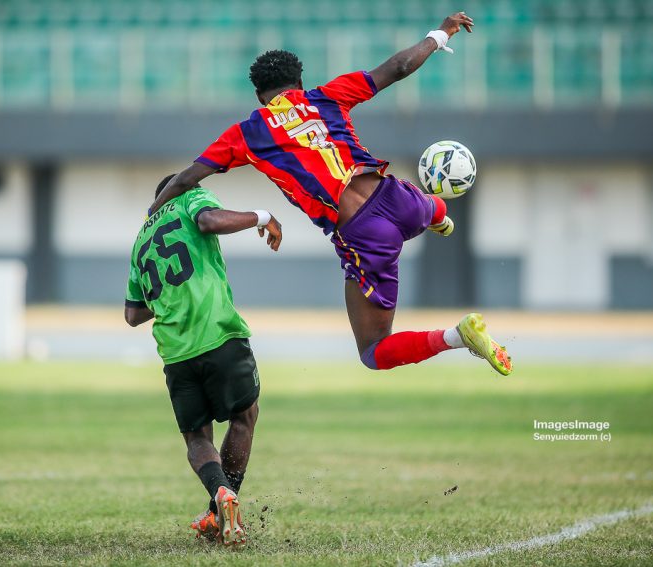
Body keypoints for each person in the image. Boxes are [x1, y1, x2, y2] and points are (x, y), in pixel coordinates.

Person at [149, 12, 513, 376]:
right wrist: (441, 33)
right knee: (427, 206)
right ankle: (437, 216)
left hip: (364, 234)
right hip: (396, 197)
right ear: (299, 82)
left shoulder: (248, 133)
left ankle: (457, 336)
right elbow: (399, 67)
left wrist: (152, 214)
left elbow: (184, 180)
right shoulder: (327, 96)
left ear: (260, 96)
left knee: (373, 351)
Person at [124, 174, 283, 548]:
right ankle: (225, 500)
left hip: (175, 351)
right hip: (218, 333)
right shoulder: (189, 198)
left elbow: (132, 314)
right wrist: (262, 216)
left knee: (197, 437)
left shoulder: (141, 240)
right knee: (244, 416)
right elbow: (209, 221)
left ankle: (218, 498)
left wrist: (170, 297)